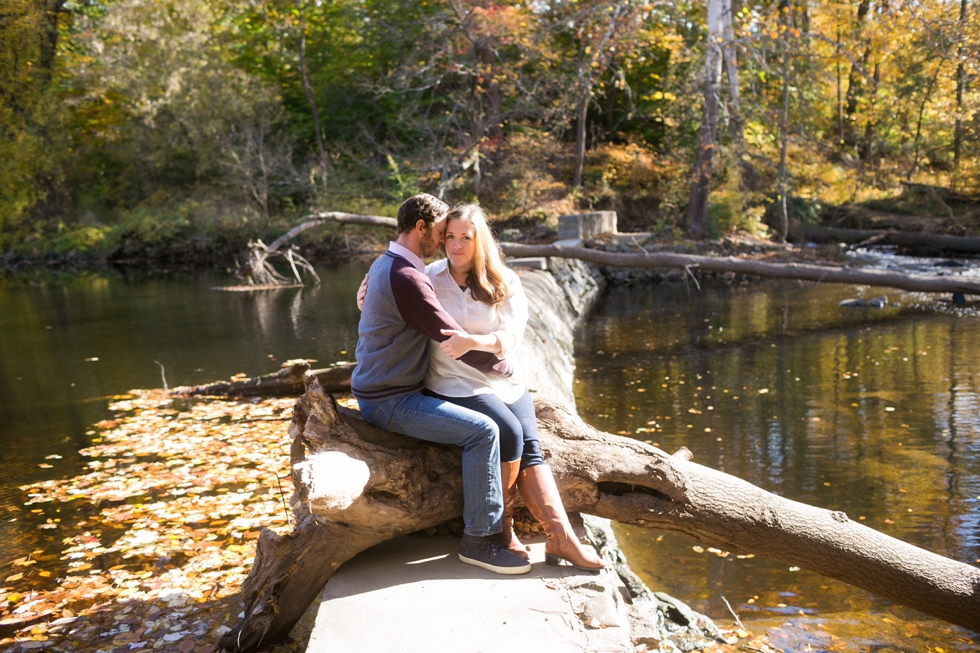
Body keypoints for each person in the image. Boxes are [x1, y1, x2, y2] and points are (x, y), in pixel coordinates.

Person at [359, 203, 603, 571]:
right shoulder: (427, 276)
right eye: (447, 236)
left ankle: (561, 539)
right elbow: (426, 322)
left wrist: (492, 355)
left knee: (528, 444)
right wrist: (364, 297)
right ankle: (499, 531)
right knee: (500, 431)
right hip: (454, 382)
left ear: (480, 241)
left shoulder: (503, 279)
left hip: (501, 378)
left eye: (463, 237)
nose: (451, 244)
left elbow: (511, 336)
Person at [351, 193, 531, 575]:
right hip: (390, 400)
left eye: (457, 236)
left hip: (386, 389)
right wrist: (505, 368)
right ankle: (480, 540)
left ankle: (499, 528)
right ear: (421, 229)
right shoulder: (407, 277)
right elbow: (453, 339)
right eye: (440, 233)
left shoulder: (390, 264)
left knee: (511, 429)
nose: (445, 243)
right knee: (484, 431)